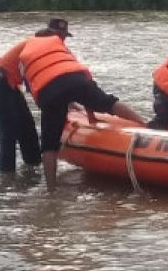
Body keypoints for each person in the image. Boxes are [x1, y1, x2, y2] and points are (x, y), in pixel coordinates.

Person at [17, 18, 147, 188]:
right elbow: (78, 74)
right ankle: (145, 124)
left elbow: (34, 87)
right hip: (74, 79)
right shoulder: (58, 45)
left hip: (48, 90)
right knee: (107, 102)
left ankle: (51, 190)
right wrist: (91, 116)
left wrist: (57, 110)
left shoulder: (24, 53)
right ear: (53, 35)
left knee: (49, 144)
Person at [0, 34, 43, 174]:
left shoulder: (38, 46)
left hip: (10, 83)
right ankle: (7, 175)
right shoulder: (34, 48)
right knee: (8, 132)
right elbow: (32, 82)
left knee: (27, 128)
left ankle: (33, 167)